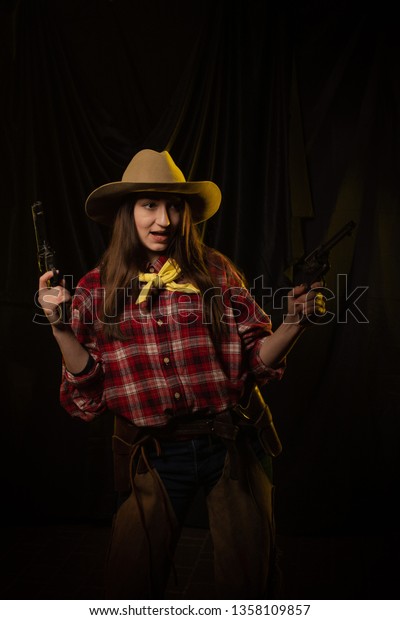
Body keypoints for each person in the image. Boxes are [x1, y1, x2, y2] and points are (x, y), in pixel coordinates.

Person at [37, 149, 326, 600]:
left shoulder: (216, 271)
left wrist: (294, 323)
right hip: (152, 454)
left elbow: (255, 362)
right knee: (129, 586)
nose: (165, 219)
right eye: (150, 204)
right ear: (126, 213)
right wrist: (58, 328)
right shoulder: (96, 288)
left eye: (174, 205)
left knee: (252, 585)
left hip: (231, 444)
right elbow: (86, 394)